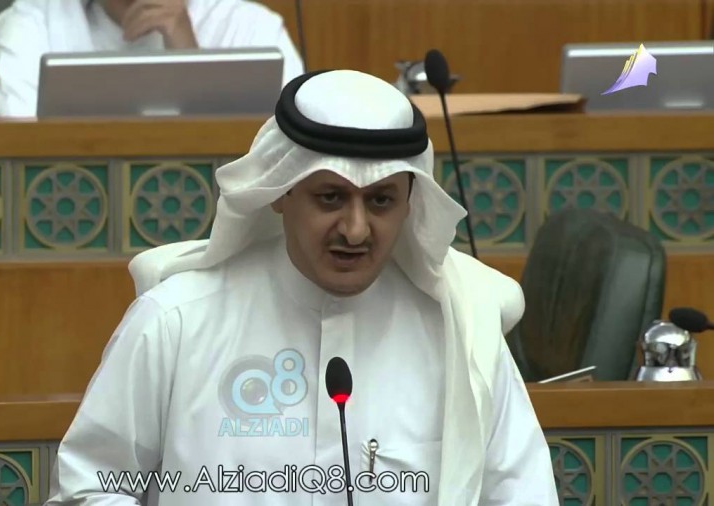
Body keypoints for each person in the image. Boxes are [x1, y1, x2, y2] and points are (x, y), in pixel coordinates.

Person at [45, 69, 559, 505]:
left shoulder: (461, 330)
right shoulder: (177, 322)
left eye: (380, 201)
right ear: (279, 192)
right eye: (331, 197)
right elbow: (87, 486)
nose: (355, 230)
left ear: (410, 204)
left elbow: (522, 492)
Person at [0, 0, 305, 118]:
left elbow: (288, 163)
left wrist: (190, 58)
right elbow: (18, 157)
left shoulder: (252, 29)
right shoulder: (26, 27)